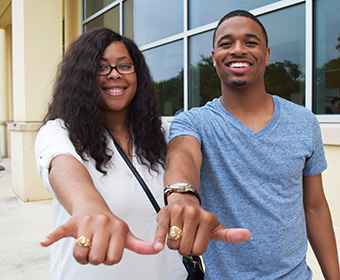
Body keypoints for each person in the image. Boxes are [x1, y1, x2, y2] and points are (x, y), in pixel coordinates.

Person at [35, 27, 250, 280]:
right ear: (82, 77)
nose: (114, 75)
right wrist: (89, 209)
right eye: (101, 67)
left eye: (124, 66)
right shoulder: (59, 132)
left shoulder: (166, 132)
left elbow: (189, 166)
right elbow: (63, 168)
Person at [164, 10, 340, 279]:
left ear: (267, 54)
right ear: (214, 58)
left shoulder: (303, 122)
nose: (237, 50)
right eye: (226, 43)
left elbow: (314, 206)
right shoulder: (193, 122)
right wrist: (181, 195)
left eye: (250, 42)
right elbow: (183, 154)